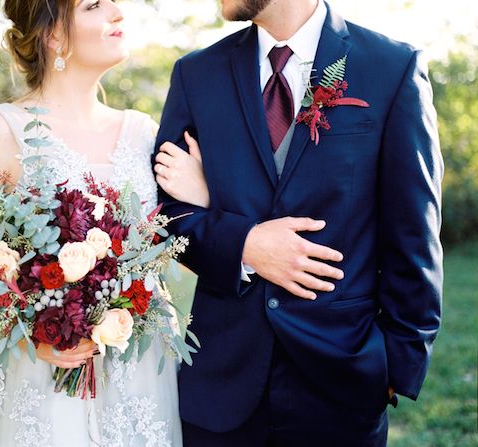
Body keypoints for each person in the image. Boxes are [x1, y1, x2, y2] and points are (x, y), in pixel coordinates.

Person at [154, 0, 443, 445]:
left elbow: (414, 234)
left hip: (342, 386)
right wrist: (246, 244)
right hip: (219, 390)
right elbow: (169, 216)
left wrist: (395, 368)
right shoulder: (196, 74)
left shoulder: (391, 67)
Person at [0, 0, 196, 445]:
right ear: (52, 35)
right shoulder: (3, 130)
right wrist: (29, 334)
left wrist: (201, 197)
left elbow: (182, 246)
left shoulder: (143, 133)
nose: (118, 12)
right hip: (43, 378)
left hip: (138, 373)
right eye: (95, 5)